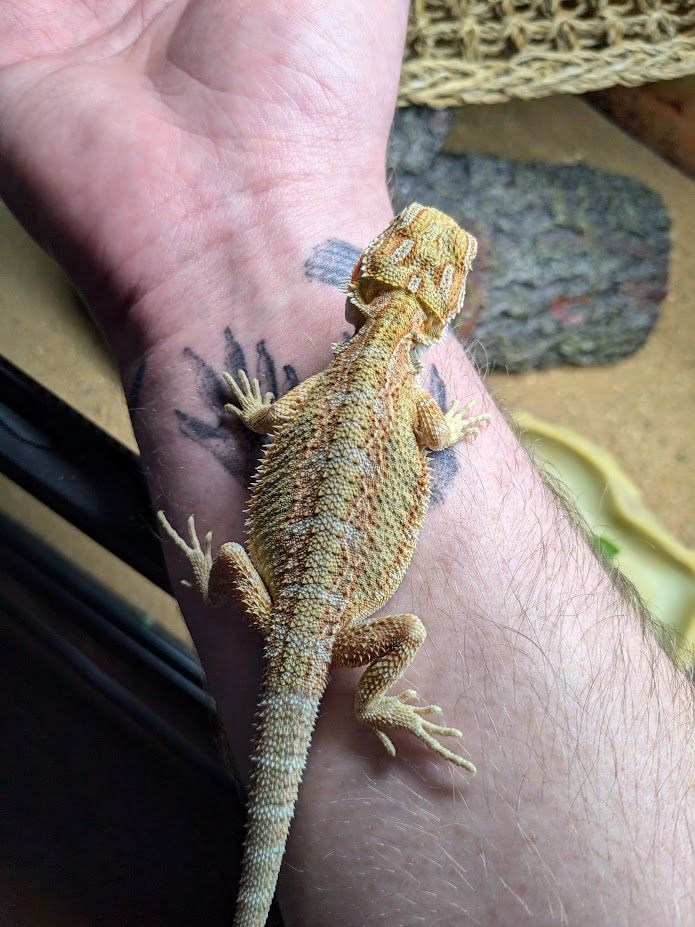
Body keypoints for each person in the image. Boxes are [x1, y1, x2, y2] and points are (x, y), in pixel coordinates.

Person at [1, 3, 692, 924]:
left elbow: (274, 416)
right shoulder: (411, 397)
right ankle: (378, 706)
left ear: (365, 278)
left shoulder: (334, 381)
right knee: (390, 642)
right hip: (289, 601)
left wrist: (247, 411)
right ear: (438, 312)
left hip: (279, 593)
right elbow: (427, 439)